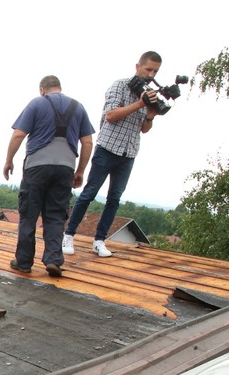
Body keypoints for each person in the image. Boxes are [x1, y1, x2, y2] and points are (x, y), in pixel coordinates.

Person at [62, 51, 162, 258]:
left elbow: (144, 129)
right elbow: (110, 115)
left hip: (129, 152)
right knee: (89, 193)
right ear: (138, 67)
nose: (151, 75)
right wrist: (140, 104)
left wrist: (150, 116)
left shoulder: (149, 93)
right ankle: (68, 235)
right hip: (107, 148)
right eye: (148, 69)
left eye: (155, 71)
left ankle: (99, 241)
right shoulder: (120, 86)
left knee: (114, 199)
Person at [3, 75, 94, 277]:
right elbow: (87, 142)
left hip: (37, 167)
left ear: (42, 90)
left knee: (29, 214)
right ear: (59, 88)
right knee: (55, 216)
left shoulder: (37, 103)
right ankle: (53, 260)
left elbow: (19, 134)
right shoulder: (78, 107)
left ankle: (24, 262)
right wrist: (80, 171)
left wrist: (9, 160)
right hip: (65, 169)